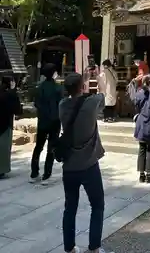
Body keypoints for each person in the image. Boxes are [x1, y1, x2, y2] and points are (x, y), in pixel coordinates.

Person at [59, 72, 114, 253]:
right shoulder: (91, 103)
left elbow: (75, 96)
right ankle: (94, 247)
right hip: (89, 165)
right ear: (83, 87)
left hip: (69, 167)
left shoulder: (62, 105)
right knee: (97, 205)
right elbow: (104, 95)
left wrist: (82, 80)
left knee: (70, 208)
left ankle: (69, 248)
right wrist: (98, 78)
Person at [30, 63, 64, 184]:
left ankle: (34, 173)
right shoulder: (58, 88)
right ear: (54, 73)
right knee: (51, 148)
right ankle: (46, 174)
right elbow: (61, 104)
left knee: (38, 146)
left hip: (43, 121)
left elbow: (36, 104)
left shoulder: (39, 88)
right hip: (54, 121)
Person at [0, 77, 22, 178]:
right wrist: (14, 91)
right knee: (3, 148)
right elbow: (17, 109)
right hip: (5, 125)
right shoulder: (9, 95)